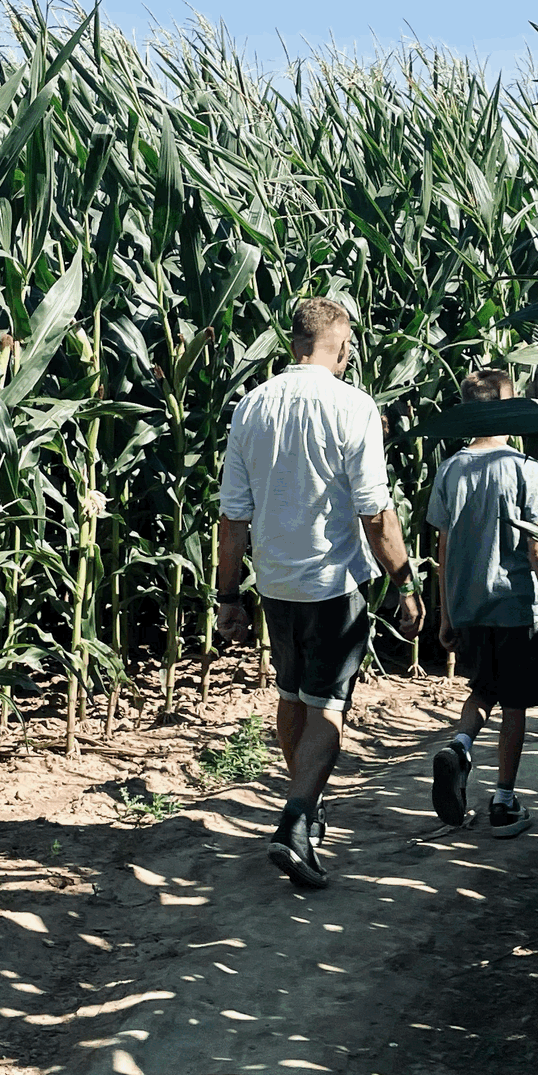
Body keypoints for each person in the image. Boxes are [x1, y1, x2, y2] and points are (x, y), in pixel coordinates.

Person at [215, 298, 423, 891]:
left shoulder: (252, 406)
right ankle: (297, 819)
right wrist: (405, 584)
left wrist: (228, 595)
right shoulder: (353, 405)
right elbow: (376, 512)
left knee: (291, 694)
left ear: (293, 344)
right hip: (333, 585)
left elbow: (232, 516)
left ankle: (305, 805)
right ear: (342, 346)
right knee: (328, 705)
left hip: (275, 582)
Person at [425, 367, 538, 841]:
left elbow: (443, 547)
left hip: (470, 605)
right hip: (516, 605)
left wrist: (447, 613)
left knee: (483, 689)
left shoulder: (450, 469)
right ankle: (503, 801)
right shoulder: (526, 470)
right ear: (509, 408)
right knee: (515, 703)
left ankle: (460, 746)